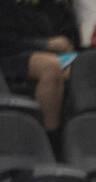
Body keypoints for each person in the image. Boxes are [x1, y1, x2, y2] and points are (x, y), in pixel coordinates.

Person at [0, 0, 79, 147]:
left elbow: (72, 38)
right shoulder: (6, 6)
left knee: (80, 66)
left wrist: (64, 44)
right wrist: (44, 44)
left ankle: (76, 138)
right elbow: (6, 43)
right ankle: (49, 141)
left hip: (49, 55)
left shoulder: (49, 6)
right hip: (10, 59)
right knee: (51, 67)